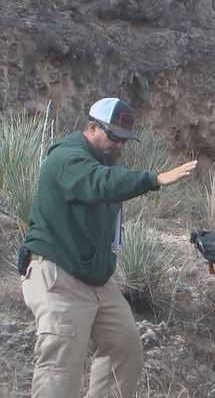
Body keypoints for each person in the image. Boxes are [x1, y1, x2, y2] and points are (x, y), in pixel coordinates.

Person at [19, 97, 197, 398]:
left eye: (125, 140)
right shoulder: (67, 158)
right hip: (57, 277)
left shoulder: (100, 164)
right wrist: (152, 179)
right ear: (91, 127)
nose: (120, 146)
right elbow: (99, 182)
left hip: (96, 283)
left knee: (124, 348)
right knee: (61, 368)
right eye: (114, 137)